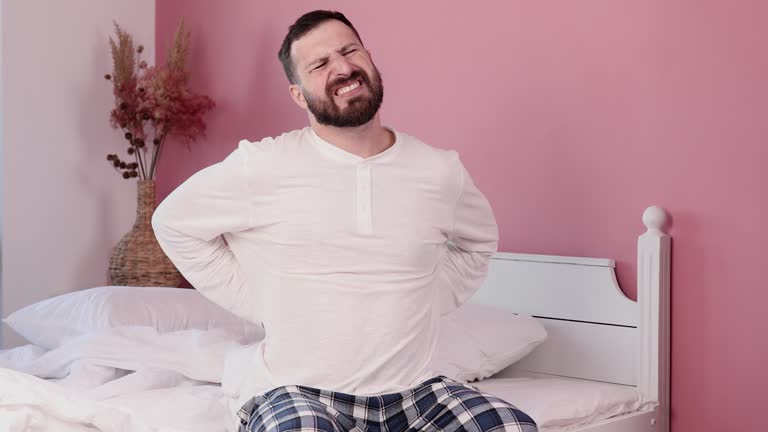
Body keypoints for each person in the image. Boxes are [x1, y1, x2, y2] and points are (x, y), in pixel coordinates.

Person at [152, 10, 536, 432]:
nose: (343, 67)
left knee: (511, 427)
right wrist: (255, 298)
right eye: (320, 64)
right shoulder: (262, 166)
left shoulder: (438, 170)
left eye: (349, 51)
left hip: (419, 392)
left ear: (369, 58)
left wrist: (428, 298)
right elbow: (172, 223)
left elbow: (477, 243)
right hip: (298, 391)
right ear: (298, 95)